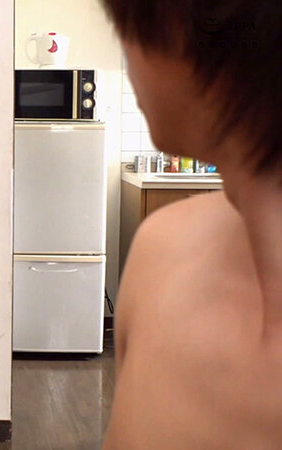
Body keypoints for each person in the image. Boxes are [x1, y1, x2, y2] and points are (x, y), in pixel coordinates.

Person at [100, 0, 282, 447]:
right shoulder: (161, 247)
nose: (127, 55)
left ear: (178, 27)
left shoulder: (165, 252)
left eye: (123, 28)